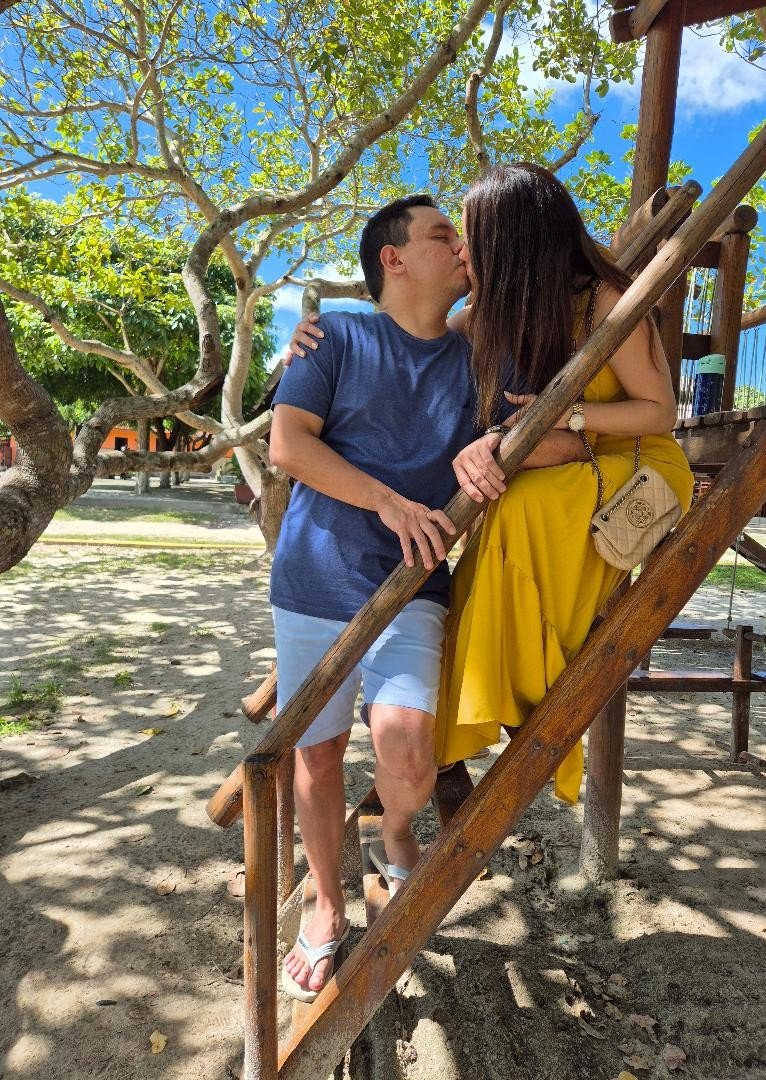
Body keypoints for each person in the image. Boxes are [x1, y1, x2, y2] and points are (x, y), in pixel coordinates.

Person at [287, 163, 694, 808]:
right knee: (482, 539)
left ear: (513, 237)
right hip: (557, 461)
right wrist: (317, 345)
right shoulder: (490, 315)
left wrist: (564, 415)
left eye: (470, 236)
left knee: (516, 507)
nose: (462, 250)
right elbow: (407, 342)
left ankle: (521, 696)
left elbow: (659, 413)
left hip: (637, 465)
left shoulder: (606, 300)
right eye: (452, 238)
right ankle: (469, 718)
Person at [270, 193, 585, 1001]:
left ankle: (396, 827)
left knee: (410, 749)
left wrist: (499, 443)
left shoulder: (484, 358)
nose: (463, 248)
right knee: (317, 753)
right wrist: (389, 502)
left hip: (415, 583)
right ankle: (325, 905)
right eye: (444, 234)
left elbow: (562, 439)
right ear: (394, 258)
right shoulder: (334, 336)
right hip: (313, 579)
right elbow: (288, 445)